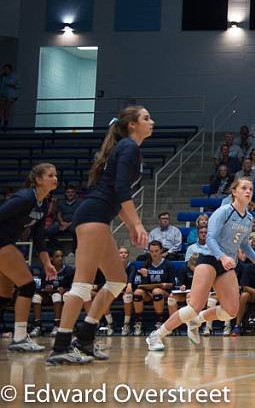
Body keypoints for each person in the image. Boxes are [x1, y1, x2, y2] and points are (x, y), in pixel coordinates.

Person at [48, 107, 151, 365]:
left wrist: (130, 225)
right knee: (82, 285)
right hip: (92, 216)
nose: (152, 121)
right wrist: (136, 224)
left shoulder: (128, 148)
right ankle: (60, 346)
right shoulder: (128, 147)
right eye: (146, 118)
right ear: (131, 125)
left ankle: (85, 338)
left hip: (99, 217)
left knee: (116, 280)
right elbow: (120, 188)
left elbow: (118, 194)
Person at [147, 178, 255, 349]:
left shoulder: (249, 218)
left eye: (250, 189)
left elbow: (243, 244)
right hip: (210, 259)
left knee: (230, 311)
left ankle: (196, 321)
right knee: (193, 307)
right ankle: (156, 335)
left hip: (226, 264)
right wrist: (222, 257)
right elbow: (210, 238)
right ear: (234, 192)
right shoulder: (224, 211)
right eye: (244, 188)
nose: (248, 191)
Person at [0, 163, 58, 352]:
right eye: (50, 175)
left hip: (7, 244)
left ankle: (19, 337)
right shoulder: (24, 197)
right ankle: (20, 338)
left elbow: (39, 237)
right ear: (38, 180)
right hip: (2, 244)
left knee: (4, 295)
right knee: (28, 285)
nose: (55, 178)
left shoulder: (44, 201)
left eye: (55, 175)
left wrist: (47, 263)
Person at [0, 63, 19, 131]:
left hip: (10, 96)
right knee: (1, 108)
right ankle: (2, 121)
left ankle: (5, 123)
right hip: (3, 95)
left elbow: (16, 85)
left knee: (6, 109)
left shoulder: (13, 76)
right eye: (4, 69)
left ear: (10, 70)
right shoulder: (3, 76)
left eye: (6, 69)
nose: (5, 70)